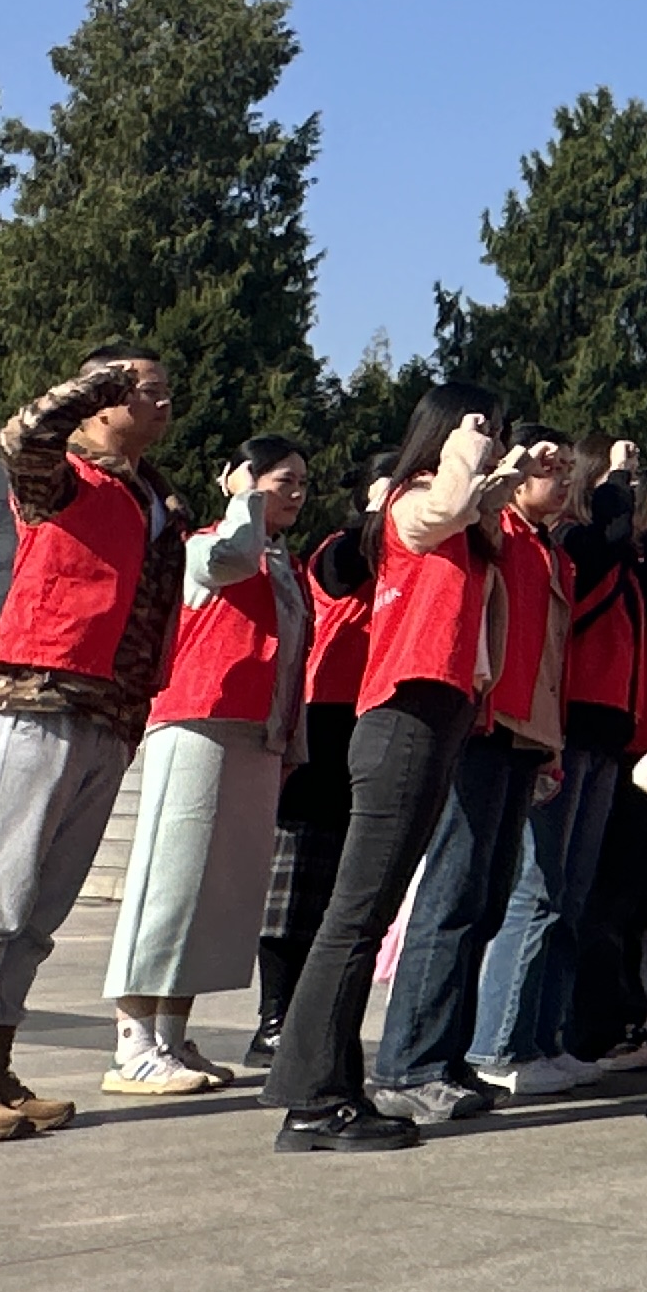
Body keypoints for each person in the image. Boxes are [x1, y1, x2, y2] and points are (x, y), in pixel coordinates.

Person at [0, 348, 189, 1142]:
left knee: (39, 910)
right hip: (39, 699)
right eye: (146, 391)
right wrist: (96, 382)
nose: (163, 404)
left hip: (112, 713)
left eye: (165, 392)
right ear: (103, 398)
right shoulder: (61, 474)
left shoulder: (156, 496)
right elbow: (20, 436)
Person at [262, 385, 529, 1154]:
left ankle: (333, 1088)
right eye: (481, 427)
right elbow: (447, 503)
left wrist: (503, 474)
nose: (490, 439)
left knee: (363, 914)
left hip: (437, 715)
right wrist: (467, 446)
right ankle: (311, 1100)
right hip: (403, 715)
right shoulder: (411, 501)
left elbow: (477, 523)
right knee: (356, 915)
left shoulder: (462, 519)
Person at [373, 421, 577, 1126]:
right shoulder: (491, 526)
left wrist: (549, 742)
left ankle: (448, 1056)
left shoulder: (547, 547)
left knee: (486, 898)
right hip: (483, 724)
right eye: (550, 466)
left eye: (568, 467)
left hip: (524, 731)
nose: (561, 478)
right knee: (452, 893)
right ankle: (408, 1064)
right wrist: (508, 467)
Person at [100, 436, 315, 1092]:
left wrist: (291, 740)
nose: (296, 493)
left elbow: (293, 657)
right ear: (240, 479)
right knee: (171, 882)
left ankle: (171, 1035)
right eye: (282, 479)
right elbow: (232, 558)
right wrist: (243, 500)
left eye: (302, 482)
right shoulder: (205, 548)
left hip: (256, 734)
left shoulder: (285, 566)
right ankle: (133, 1042)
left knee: (216, 894)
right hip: (197, 723)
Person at [476, 439, 646, 1094]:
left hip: (602, 732)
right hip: (561, 726)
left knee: (571, 894)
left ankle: (544, 1038)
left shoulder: (566, 546)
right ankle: (498, 1042)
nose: (564, 482)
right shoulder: (573, 541)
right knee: (538, 888)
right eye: (556, 470)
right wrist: (619, 479)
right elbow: (606, 542)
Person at [251, 455, 388, 1064]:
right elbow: (341, 571)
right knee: (297, 877)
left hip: (375, 710)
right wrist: (380, 509)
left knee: (337, 882)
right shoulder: (341, 545)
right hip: (326, 711)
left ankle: (312, 1019)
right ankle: (273, 1017)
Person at [563, 470, 647, 1070]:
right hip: (631, 744)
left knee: (642, 899)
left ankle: (627, 1013)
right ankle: (599, 1024)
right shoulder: (626, 564)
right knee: (609, 897)